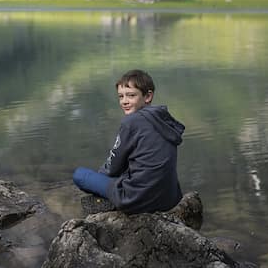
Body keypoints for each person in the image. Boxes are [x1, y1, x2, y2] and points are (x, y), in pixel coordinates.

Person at [72, 69, 184, 214]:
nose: (124, 101)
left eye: (131, 95)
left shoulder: (131, 122)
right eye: (121, 96)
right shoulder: (163, 120)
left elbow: (113, 167)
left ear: (148, 96)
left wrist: (100, 179)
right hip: (170, 199)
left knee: (80, 174)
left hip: (135, 200)